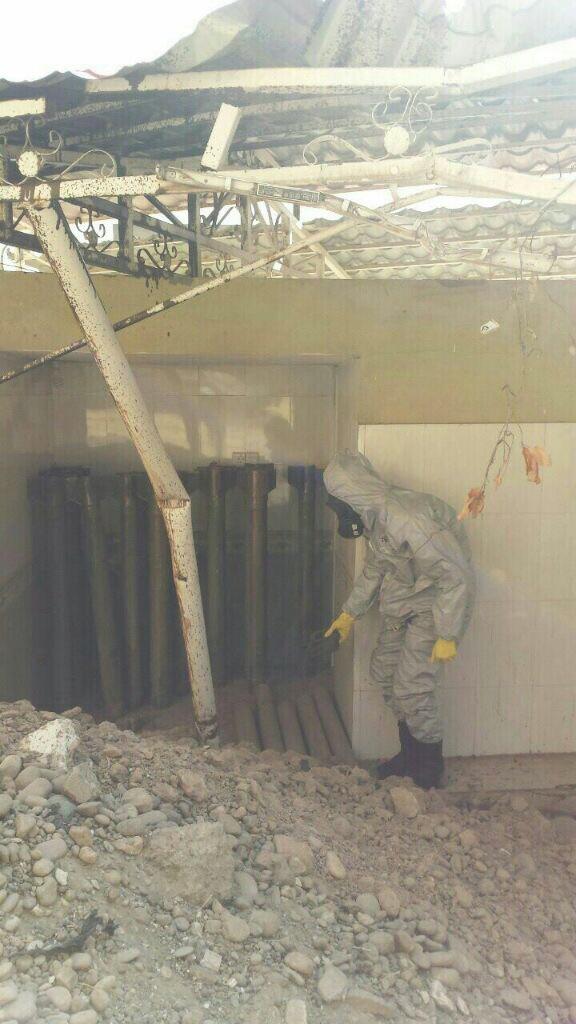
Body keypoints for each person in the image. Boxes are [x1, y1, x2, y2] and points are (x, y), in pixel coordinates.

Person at [324, 452, 475, 789]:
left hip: (436, 607)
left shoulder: (408, 518)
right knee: (386, 672)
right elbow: (375, 569)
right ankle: (410, 756)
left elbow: (455, 575)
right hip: (407, 601)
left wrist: (448, 633)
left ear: (350, 496)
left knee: (412, 688)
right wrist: (349, 614)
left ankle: (429, 769)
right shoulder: (378, 519)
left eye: (337, 505)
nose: (338, 514)